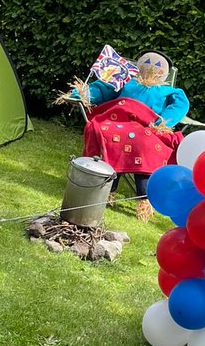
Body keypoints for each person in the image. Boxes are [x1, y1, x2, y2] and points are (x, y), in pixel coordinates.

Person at [67, 52, 189, 222]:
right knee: (106, 134)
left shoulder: (169, 91)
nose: (152, 66)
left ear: (166, 74)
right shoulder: (125, 79)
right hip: (117, 119)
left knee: (145, 143)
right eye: (147, 62)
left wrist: (164, 122)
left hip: (148, 126)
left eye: (158, 65)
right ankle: (106, 191)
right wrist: (83, 93)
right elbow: (103, 88)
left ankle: (144, 198)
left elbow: (180, 105)